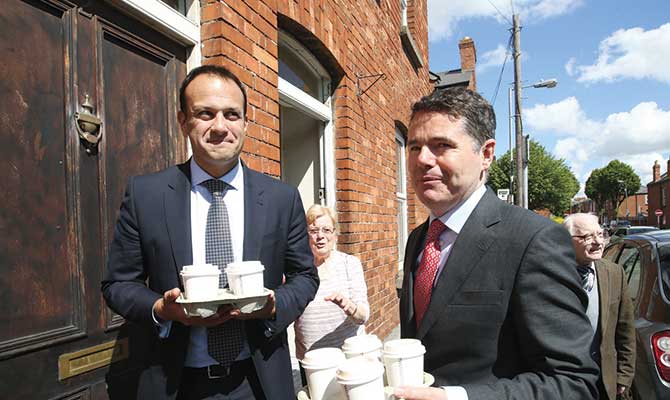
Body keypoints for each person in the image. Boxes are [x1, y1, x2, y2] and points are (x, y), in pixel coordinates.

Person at [101, 65, 319, 400]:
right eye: (205, 113)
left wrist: (273, 306)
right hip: (176, 384)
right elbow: (117, 284)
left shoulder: (281, 198)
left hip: (259, 383)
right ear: (183, 120)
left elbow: (305, 276)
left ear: (246, 122)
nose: (220, 126)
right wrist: (161, 309)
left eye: (232, 114)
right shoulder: (146, 195)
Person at [395, 87, 599, 400]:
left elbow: (573, 382)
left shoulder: (533, 240)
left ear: (486, 154)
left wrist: (457, 398)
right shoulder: (417, 240)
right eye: (414, 147)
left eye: (441, 146)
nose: (423, 159)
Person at [294, 205, 369, 384]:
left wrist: (349, 307)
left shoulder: (349, 264)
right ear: (305, 236)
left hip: (350, 360)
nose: (320, 236)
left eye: (326, 230)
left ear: (335, 235)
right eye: (313, 230)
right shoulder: (296, 270)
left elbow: (363, 316)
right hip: (313, 366)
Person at [564, 213, 635, 400]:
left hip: (605, 380)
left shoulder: (614, 272)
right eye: (587, 236)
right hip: (564, 382)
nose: (597, 242)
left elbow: (625, 330)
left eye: (600, 234)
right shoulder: (552, 274)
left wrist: (623, 377)